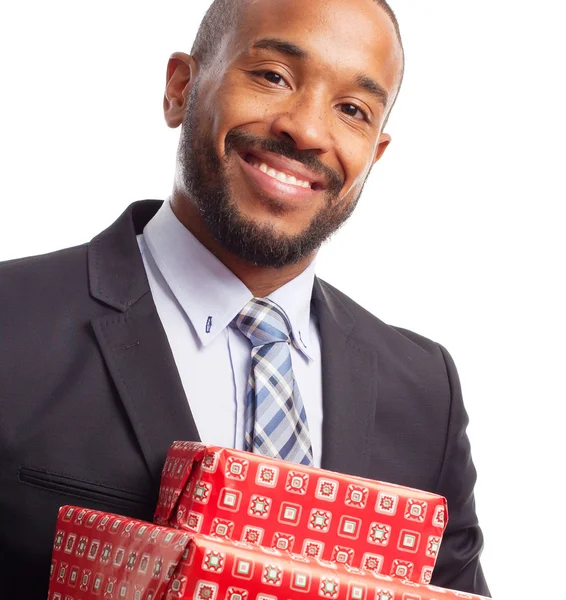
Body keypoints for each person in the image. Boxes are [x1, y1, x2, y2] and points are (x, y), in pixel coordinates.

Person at [0, 0, 490, 597]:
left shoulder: (424, 391)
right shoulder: (12, 323)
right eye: (272, 76)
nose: (307, 130)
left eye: (352, 110)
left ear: (374, 155)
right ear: (180, 88)